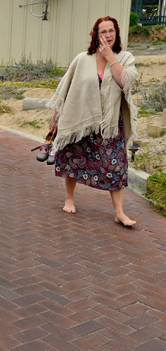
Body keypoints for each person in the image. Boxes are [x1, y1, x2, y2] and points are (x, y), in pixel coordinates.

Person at [47, 16, 138, 227]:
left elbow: (125, 82)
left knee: (116, 166)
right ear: (95, 35)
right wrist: (56, 120)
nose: (107, 35)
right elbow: (66, 91)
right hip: (81, 120)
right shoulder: (82, 59)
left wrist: (110, 57)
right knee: (73, 159)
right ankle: (69, 198)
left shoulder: (125, 58)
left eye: (111, 31)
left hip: (109, 124)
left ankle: (119, 213)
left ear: (117, 33)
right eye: (103, 31)